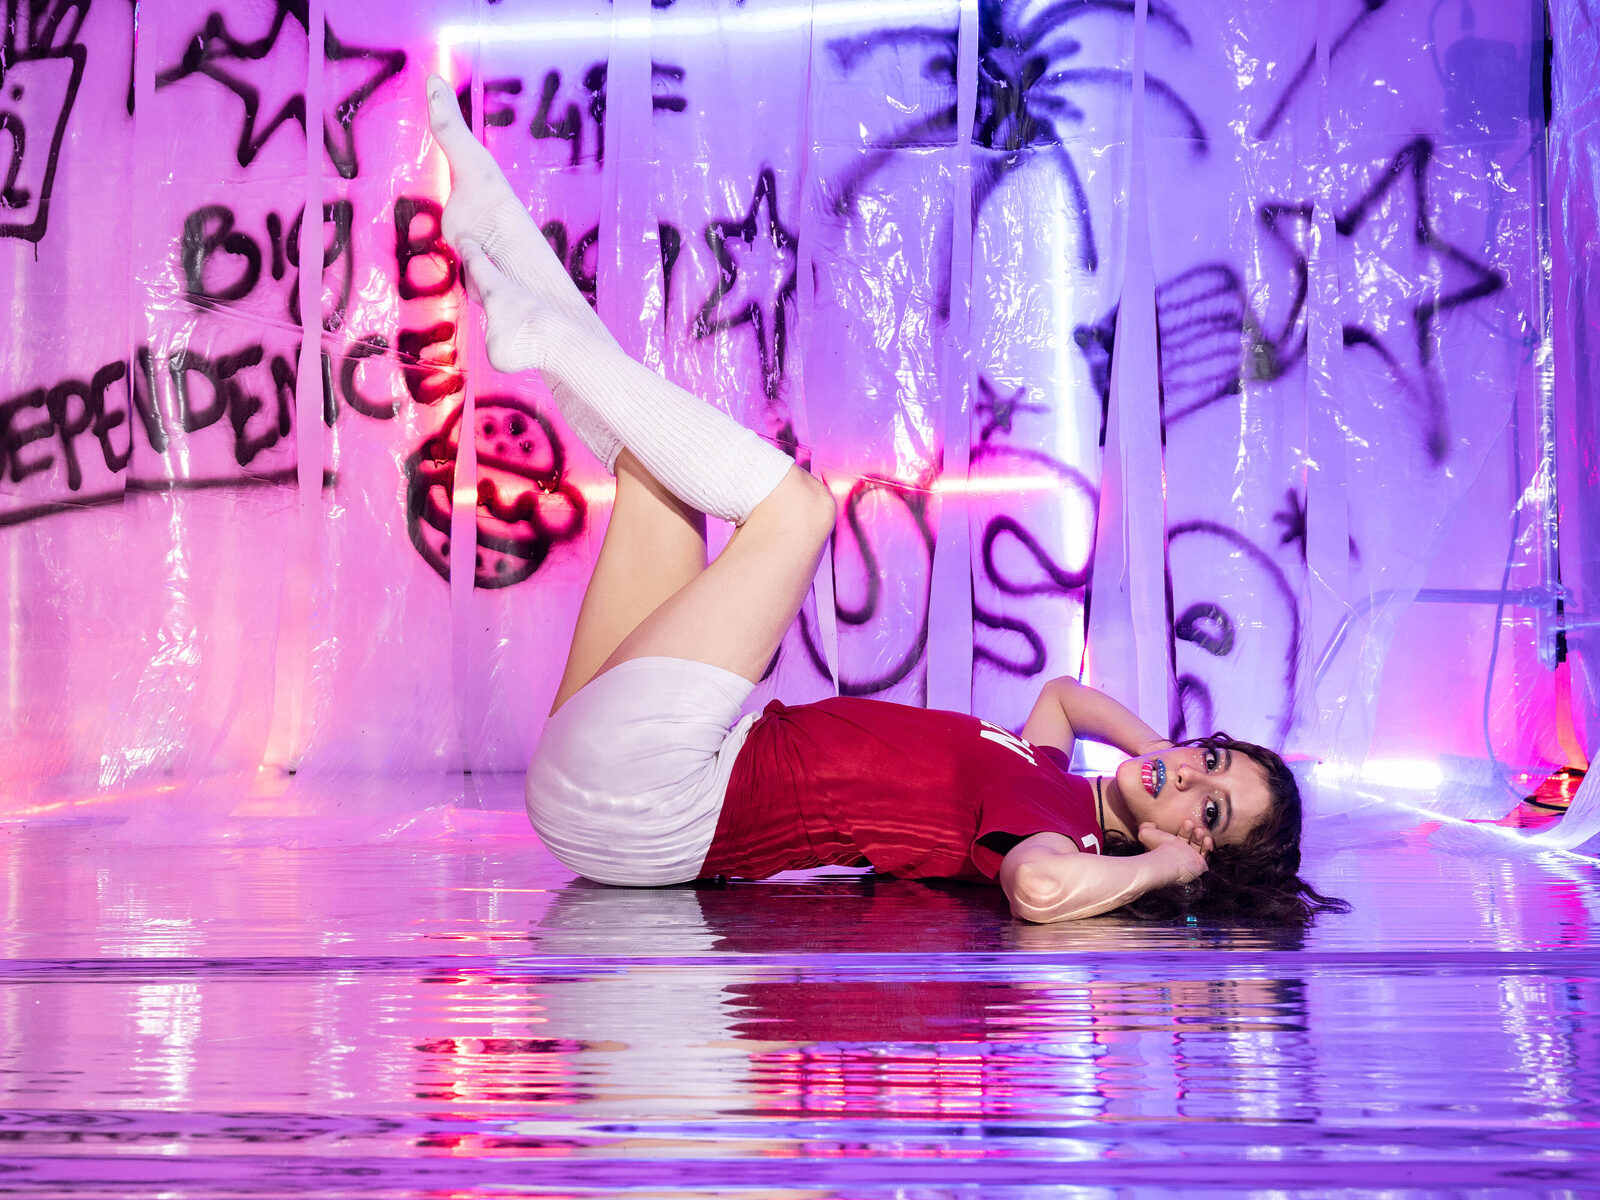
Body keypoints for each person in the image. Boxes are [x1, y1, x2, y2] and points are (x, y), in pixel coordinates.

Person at [424, 76, 1346, 925]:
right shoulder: (1054, 776)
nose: (1188, 778)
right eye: (1210, 758)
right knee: (659, 477)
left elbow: (1038, 889)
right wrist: (1160, 754)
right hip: (622, 787)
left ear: (1196, 850)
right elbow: (1064, 698)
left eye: (1209, 810)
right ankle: (502, 241)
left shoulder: (1060, 831)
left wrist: (1166, 868)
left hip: (662, 802)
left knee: (798, 510)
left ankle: (545, 337)